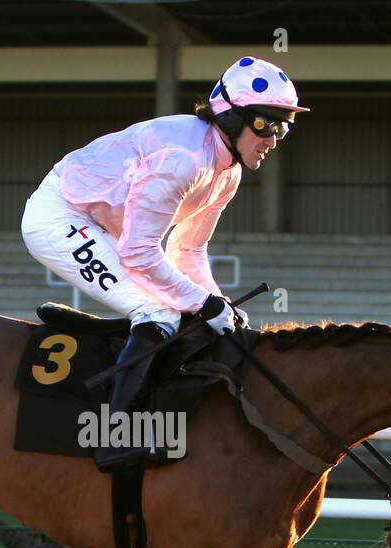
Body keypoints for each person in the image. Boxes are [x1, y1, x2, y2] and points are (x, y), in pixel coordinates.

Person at [21, 55, 308, 471]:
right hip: (59, 215)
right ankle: (114, 439)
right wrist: (204, 304)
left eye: (284, 127)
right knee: (157, 310)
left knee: (189, 310)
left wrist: (218, 303)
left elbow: (188, 250)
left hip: (104, 226)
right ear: (230, 116)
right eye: (266, 124)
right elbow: (139, 252)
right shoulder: (184, 160)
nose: (275, 138)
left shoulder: (228, 171)